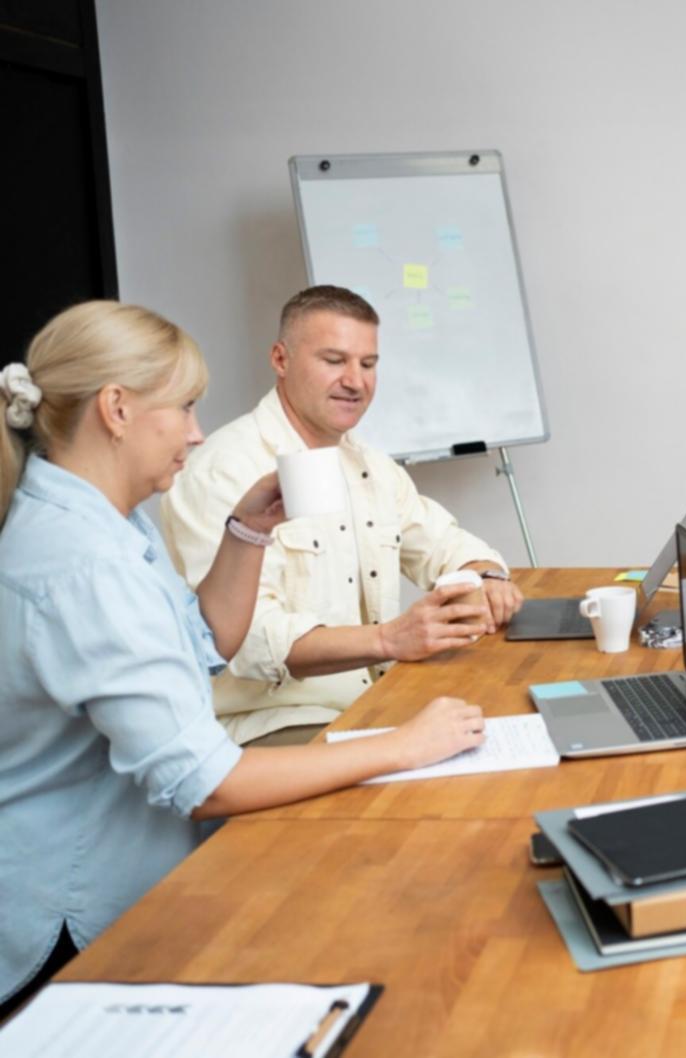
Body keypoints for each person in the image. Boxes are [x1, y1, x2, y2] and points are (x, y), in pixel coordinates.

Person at [0, 302, 485, 1017]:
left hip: (135, 870)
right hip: (77, 914)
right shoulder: (85, 563)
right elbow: (203, 781)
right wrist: (403, 746)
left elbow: (202, 645)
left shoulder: (106, 517)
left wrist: (247, 534)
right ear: (117, 409)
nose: (197, 432)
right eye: (185, 407)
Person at [161, 286, 523, 746]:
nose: (356, 381)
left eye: (368, 364)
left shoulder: (367, 463)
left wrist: (486, 577)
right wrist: (389, 639)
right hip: (272, 724)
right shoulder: (223, 469)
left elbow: (444, 544)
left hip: (378, 703)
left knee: (510, 724)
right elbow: (249, 643)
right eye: (334, 361)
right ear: (280, 359)